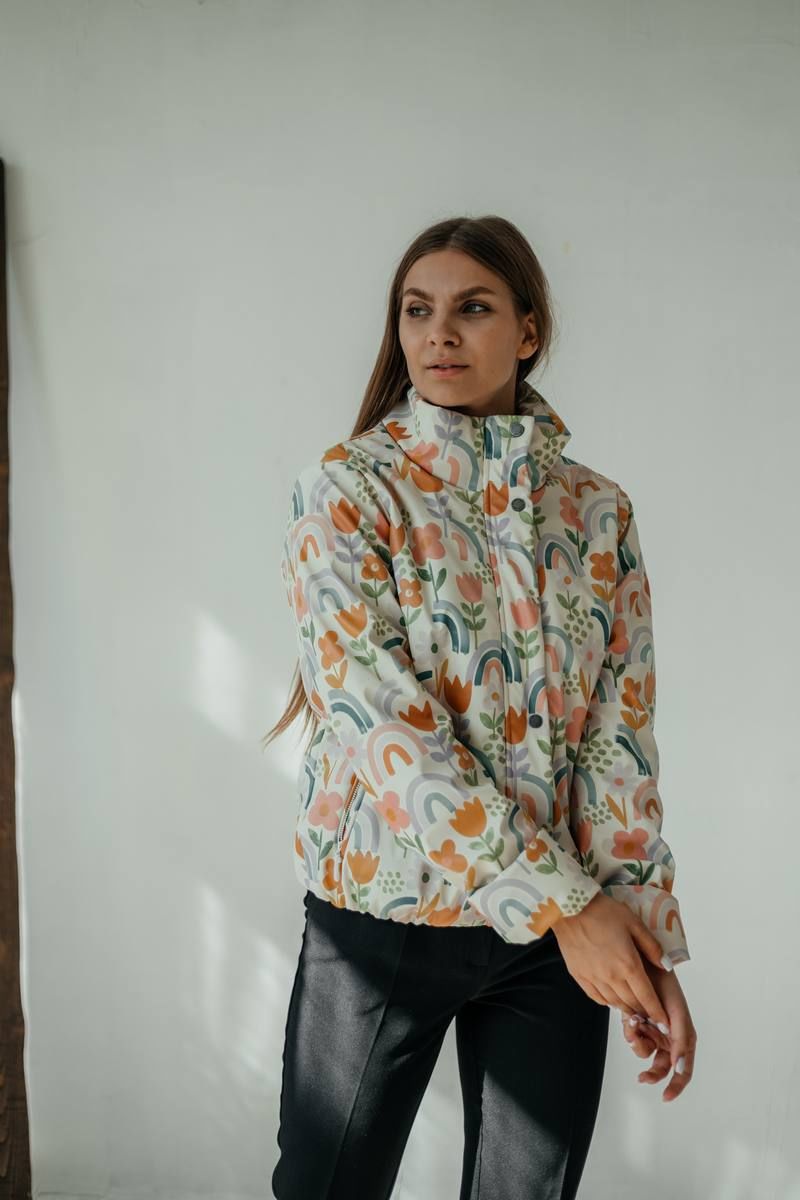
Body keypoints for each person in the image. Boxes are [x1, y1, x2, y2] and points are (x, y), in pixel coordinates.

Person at [263, 214, 697, 1200]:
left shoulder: (596, 511)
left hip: (558, 945)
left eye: (472, 308)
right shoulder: (346, 491)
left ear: (528, 331)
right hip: (381, 920)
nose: (439, 334)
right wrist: (570, 906)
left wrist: (640, 939)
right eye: (417, 311)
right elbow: (383, 730)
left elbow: (617, 741)